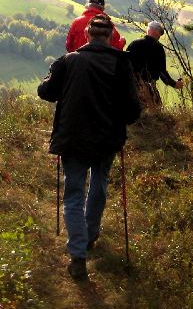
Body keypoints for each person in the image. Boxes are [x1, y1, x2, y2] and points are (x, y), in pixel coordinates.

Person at [38, 14, 141, 281]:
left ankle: (78, 254)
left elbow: (46, 92)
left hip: (73, 138)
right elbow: (132, 110)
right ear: (110, 36)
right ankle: (91, 234)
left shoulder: (70, 61)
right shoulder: (122, 64)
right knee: (99, 184)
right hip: (107, 138)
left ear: (86, 34)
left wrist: (50, 76)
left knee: (73, 193)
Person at [126, 21, 184, 108]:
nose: (159, 37)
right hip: (148, 88)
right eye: (160, 35)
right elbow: (162, 72)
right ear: (157, 33)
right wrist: (174, 84)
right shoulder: (158, 48)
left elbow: (125, 64)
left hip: (131, 87)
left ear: (148, 30)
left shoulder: (134, 44)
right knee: (156, 111)